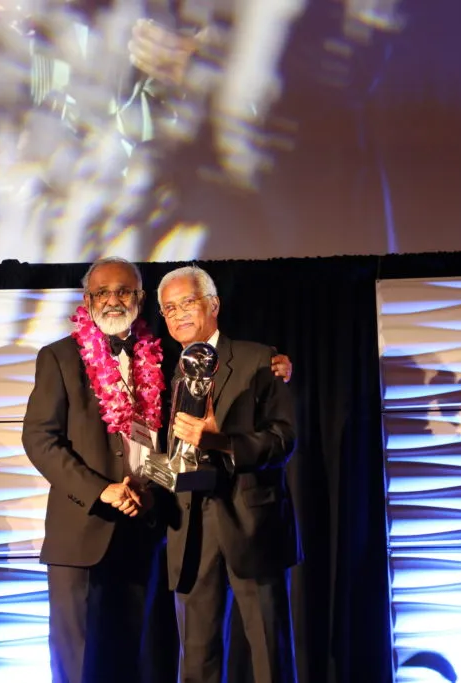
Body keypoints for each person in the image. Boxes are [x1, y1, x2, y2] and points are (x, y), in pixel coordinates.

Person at [21, 256, 292, 683]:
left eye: (124, 291)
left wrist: (278, 366)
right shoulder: (59, 357)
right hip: (83, 530)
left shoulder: (165, 357)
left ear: (139, 298)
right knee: (77, 662)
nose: (113, 300)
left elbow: (180, 439)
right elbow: (39, 440)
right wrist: (100, 490)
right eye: (102, 293)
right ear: (87, 300)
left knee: (136, 658)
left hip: (147, 528)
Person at [157, 264, 299, 683]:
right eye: (169, 308)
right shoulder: (166, 372)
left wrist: (220, 441)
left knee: (270, 655)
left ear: (213, 304)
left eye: (187, 302)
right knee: (196, 660)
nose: (179, 314)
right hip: (189, 529)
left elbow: (283, 439)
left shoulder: (260, 360)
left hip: (251, 523)